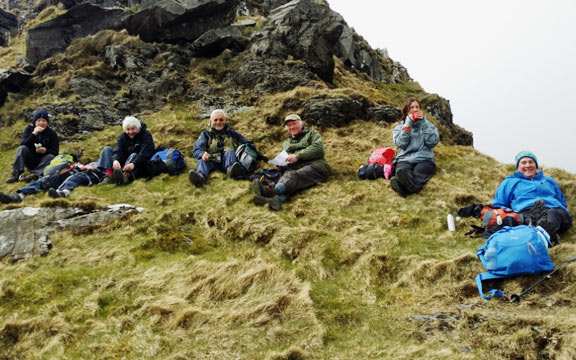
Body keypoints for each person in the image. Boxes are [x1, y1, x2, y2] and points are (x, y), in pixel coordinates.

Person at [252, 114, 329, 211]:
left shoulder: (312, 134)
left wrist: (298, 156)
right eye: (289, 125)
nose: (292, 127)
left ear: (301, 124)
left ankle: (268, 192)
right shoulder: (286, 143)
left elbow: (319, 149)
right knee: (287, 176)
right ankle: (274, 200)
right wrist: (282, 165)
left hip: (315, 167)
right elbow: (287, 159)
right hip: (294, 168)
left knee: (295, 176)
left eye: (294, 124)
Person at [492, 151, 572, 243]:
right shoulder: (509, 182)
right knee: (529, 218)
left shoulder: (549, 181)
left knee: (552, 214)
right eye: (523, 162)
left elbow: (562, 201)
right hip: (527, 212)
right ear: (518, 167)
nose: (528, 165)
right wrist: (512, 213)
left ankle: (540, 233)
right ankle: (546, 234)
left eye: (531, 162)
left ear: (536, 165)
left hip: (555, 210)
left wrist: (565, 212)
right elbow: (498, 204)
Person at [0, 148, 113, 204]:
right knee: (46, 179)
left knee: (75, 178)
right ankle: (19, 195)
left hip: (89, 175)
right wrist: (79, 166)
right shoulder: (87, 163)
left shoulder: (101, 168)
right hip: (71, 171)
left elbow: (100, 170)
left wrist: (90, 168)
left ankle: (63, 193)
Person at [390, 97, 439, 197]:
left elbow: (432, 142)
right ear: (407, 111)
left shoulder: (429, 125)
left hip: (424, 158)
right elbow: (401, 144)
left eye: (417, 107)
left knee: (420, 172)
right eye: (412, 107)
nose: (415, 109)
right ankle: (409, 187)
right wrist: (407, 125)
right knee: (402, 172)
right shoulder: (399, 128)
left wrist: (424, 124)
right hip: (404, 158)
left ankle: (406, 190)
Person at [188, 109, 248, 187]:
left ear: (225, 120)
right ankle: (200, 178)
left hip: (228, 161)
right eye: (215, 120)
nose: (218, 122)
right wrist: (202, 154)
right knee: (202, 160)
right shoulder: (205, 134)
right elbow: (196, 149)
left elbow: (247, 144)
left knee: (230, 151)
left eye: (221, 120)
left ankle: (232, 173)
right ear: (211, 121)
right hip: (211, 160)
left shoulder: (233, 134)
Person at [5, 109, 59, 183]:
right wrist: (34, 134)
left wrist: (46, 150)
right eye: (39, 120)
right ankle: (16, 173)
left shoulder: (52, 133)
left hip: (43, 161)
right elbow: (23, 144)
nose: (41, 123)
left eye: (44, 121)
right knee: (22, 148)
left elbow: (56, 152)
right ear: (35, 122)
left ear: (47, 123)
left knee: (51, 157)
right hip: (30, 159)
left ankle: (33, 175)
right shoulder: (29, 129)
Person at [104, 116, 155, 186]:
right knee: (107, 149)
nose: (130, 132)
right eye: (128, 129)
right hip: (124, 162)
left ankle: (125, 176)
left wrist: (134, 163)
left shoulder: (146, 135)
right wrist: (115, 160)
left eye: (133, 129)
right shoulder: (122, 137)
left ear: (138, 128)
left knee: (134, 154)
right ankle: (109, 176)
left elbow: (146, 152)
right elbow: (118, 149)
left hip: (137, 163)